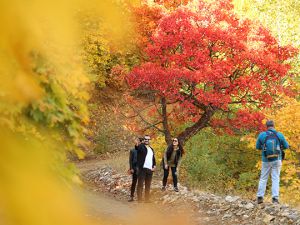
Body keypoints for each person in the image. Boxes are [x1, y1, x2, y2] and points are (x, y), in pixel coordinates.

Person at [256, 120, 289, 204]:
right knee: (275, 178)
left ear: (266, 126)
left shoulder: (262, 135)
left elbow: (257, 147)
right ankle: (275, 199)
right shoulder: (279, 135)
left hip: (265, 160)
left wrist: (264, 147)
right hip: (277, 159)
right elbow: (286, 146)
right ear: (274, 126)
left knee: (263, 178)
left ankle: (260, 197)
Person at [136, 135, 156, 203]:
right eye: (145, 139)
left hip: (150, 169)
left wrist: (154, 165)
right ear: (143, 140)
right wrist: (138, 143)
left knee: (148, 185)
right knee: (140, 184)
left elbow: (153, 158)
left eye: (148, 139)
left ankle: (147, 199)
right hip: (143, 169)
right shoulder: (141, 147)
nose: (147, 140)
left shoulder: (151, 149)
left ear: (150, 140)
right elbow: (137, 148)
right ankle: (139, 199)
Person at [128, 137, 144, 202]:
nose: (137, 142)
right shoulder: (132, 150)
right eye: (136, 141)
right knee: (134, 182)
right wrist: (131, 168)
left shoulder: (143, 150)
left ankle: (139, 197)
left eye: (138, 141)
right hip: (134, 168)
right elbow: (130, 160)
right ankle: (131, 196)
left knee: (141, 183)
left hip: (141, 168)